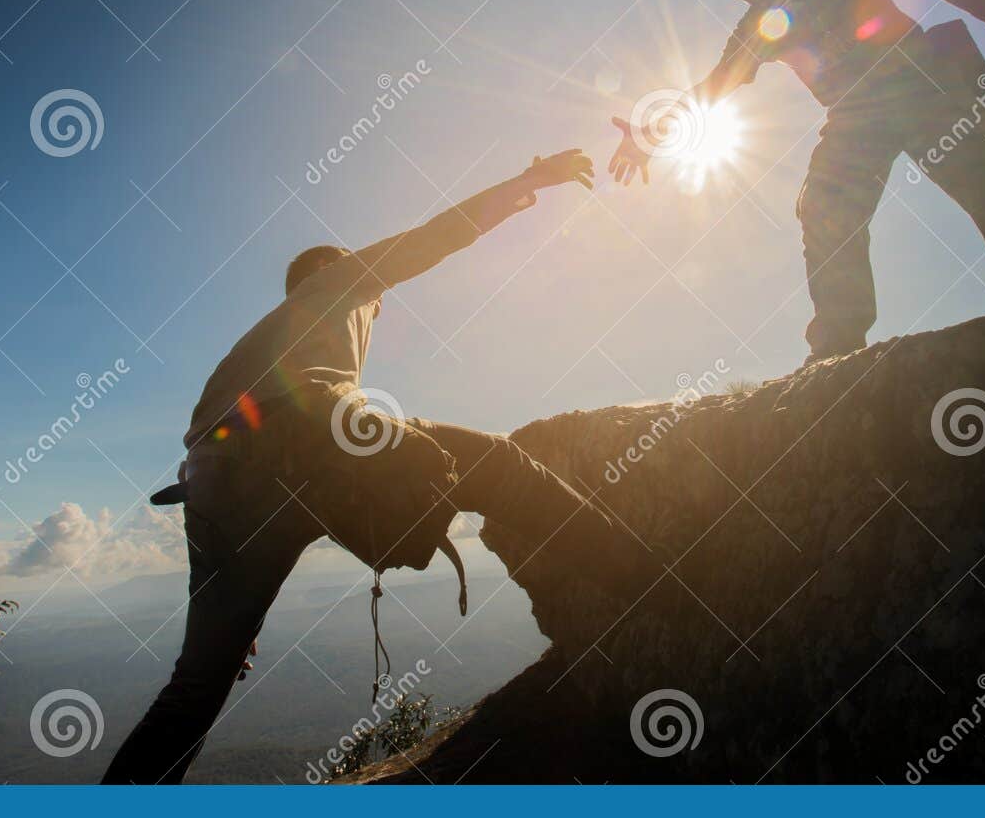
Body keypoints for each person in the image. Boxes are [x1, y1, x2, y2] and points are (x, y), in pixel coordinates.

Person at [103, 149, 653, 784]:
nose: (379, 298)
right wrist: (528, 182)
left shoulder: (263, 344)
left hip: (208, 483)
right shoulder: (340, 283)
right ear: (341, 275)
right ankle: (648, 578)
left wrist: (236, 599)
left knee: (198, 684)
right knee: (494, 464)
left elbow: (219, 454)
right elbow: (432, 239)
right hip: (303, 434)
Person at [609, 0, 985, 363]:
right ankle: (837, 348)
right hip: (856, 118)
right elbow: (716, 86)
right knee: (823, 208)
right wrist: (653, 133)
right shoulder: (756, 26)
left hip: (923, 86)